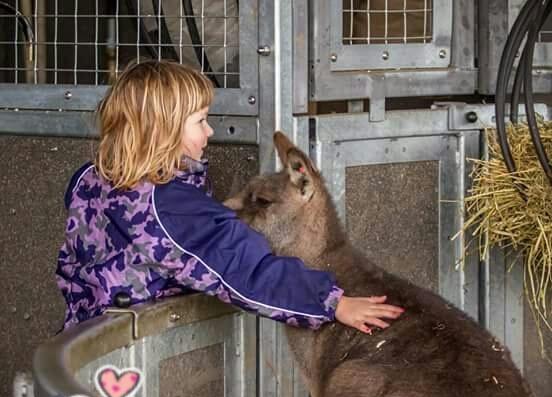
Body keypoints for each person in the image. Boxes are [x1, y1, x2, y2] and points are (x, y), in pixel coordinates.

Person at [56, 60, 404, 333]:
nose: (209, 132)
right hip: (133, 366)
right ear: (161, 131)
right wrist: (333, 303)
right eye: (200, 121)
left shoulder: (87, 179)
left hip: (83, 341)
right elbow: (246, 269)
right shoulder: (171, 207)